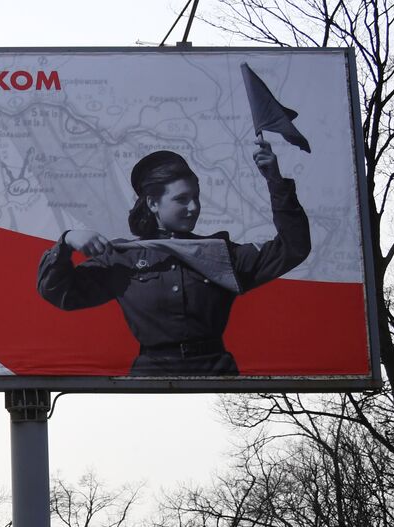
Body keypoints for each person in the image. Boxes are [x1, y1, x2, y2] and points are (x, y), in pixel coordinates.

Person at [36, 143, 311, 376]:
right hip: (150, 384)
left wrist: (275, 180)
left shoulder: (220, 253)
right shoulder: (124, 258)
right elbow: (61, 293)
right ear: (153, 203)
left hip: (218, 379)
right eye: (182, 199)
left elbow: (293, 248)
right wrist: (67, 241)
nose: (193, 207)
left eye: (196, 198)